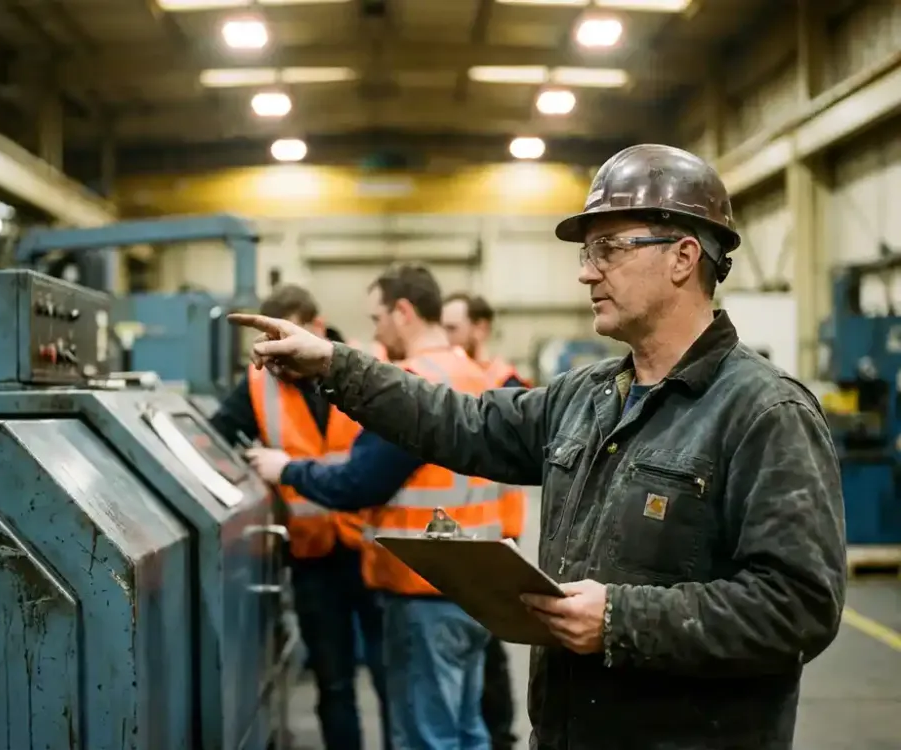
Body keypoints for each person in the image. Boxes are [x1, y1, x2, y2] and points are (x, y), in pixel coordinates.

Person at [228, 143, 847, 750]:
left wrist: (619, 619)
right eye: (587, 252)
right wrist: (335, 365)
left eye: (609, 248)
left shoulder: (765, 413)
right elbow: (458, 421)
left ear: (683, 256)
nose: (586, 271)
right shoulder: (586, 396)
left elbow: (799, 606)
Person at [245, 265, 500, 750]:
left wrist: (287, 470)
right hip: (478, 584)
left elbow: (360, 481)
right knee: (466, 731)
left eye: (377, 318)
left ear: (403, 312)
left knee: (428, 739)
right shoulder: (471, 372)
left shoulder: (416, 385)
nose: (376, 333)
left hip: (424, 590)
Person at [209, 284, 390, 750]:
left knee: (391, 677)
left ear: (316, 327)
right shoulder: (258, 384)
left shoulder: (366, 368)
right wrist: (250, 475)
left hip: (372, 549)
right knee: (334, 684)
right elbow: (213, 442)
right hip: (313, 558)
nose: (281, 356)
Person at [441, 291, 527, 750]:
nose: (446, 338)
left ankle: (500, 735)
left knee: (490, 646)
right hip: (460, 531)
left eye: (453, 328)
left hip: (499, 532)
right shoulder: (449, 376)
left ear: (481, 328)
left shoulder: (505, 383)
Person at [442, 292, 532, 387]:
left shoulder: (505, 382)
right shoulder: (442, 374)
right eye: (440, 329)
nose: (442, 337)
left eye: (451, 329)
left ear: (481, 329)